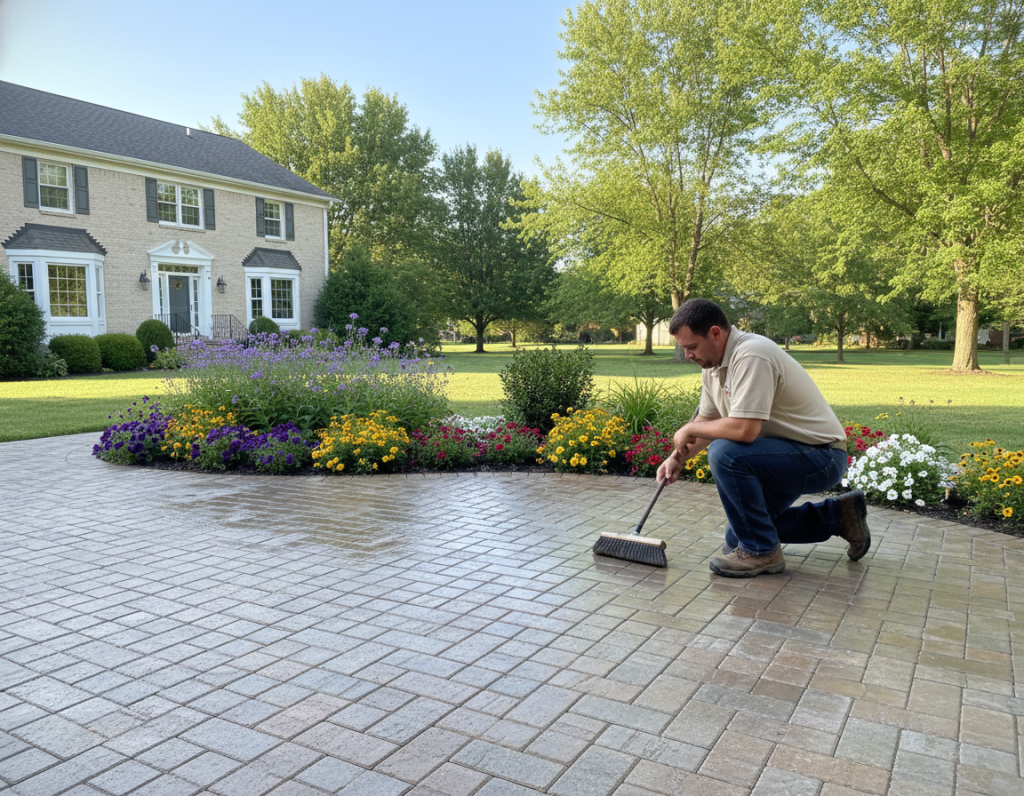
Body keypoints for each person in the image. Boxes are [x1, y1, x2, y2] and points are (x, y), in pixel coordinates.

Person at [656, 299, 871, 577]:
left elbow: (744, 430)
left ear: (715, 333)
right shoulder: (713, 367)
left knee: (724, 452)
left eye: (692, 346)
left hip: (821, 456)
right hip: (782, 453)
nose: (687, 355)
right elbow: (707, 420)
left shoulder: (751, 355)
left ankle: (762, 553)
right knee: (738, 536)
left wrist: (689, 430)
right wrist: (677, 457)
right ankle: (840, 516)